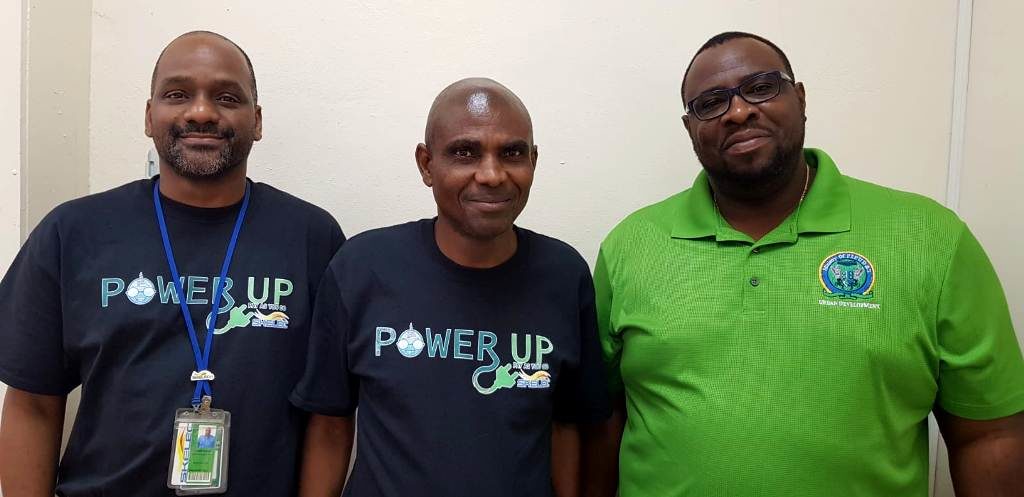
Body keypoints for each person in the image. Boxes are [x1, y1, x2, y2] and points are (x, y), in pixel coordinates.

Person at [587, 31, 1024, 496]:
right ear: (689, 127)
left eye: (760, 88)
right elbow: (600, 419)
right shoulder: (631, 245)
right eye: (711, 103)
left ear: (799, 97)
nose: (738, 112)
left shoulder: (931, 237)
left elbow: (990, 433)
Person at [0, 31, 344, 496]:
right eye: (177, 94)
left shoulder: (312, 238)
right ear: (149, 116)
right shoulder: (73, 232)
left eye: (227, 97)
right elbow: (32, 403)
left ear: (257, 121)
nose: (201, 112)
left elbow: (328, 413)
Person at [291, 78, 610, 497]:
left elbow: (567, 425)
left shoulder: (564, 275)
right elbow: (330, 425)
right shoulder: (362, 267)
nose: (492, 174)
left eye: (512, 153)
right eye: (465, 153)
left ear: (533, 162)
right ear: (426, 164)